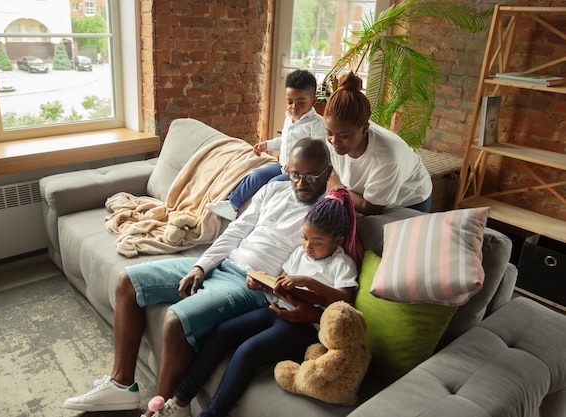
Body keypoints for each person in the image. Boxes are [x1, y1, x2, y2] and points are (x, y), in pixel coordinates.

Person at [62, 138, 332, 413]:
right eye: (295, 174)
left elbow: (318, 264)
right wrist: (201, 266)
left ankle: (161, 410)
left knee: (174, 319)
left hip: (250, 284)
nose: (300, 183)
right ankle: (122, 386)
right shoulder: (274, 188)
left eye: (311, 176)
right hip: (223, 263)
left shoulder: (328, 212)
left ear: (327, 172)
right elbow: (236, 231)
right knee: (127, 281)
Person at [150, 187, 362, 417]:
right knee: (222, 333)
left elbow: (345, 299)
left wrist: (309, 282)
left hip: (304, 327)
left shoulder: (342, 264)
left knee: (248, 351)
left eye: (317, 242)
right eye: (304, 237)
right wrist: (262, 283)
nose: (307, 247)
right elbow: (282, 281)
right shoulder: (300, 253)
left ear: (337, 241)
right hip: (275, 308)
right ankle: (179, 401)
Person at [206, 69, 326, 221]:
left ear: (313, 102)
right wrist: (266, 145)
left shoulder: (315, 124)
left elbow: (318, 151)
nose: (294, 107)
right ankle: (232, 205)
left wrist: (297, 163)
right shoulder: (289, 118)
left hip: (299, 174)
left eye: (301, 102)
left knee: (272, 184)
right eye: (290, 102)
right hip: (282, 165)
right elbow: (284, 140)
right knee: (256, 176)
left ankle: (258, 217)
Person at [324, 72, 433, 215]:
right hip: (360, 194)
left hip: (407, 201)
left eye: (343, 136)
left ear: (365, 128)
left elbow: (370, 208)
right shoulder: (336, 133)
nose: (334, 141)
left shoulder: (387, 157)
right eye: (330, 133)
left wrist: (336, 188)